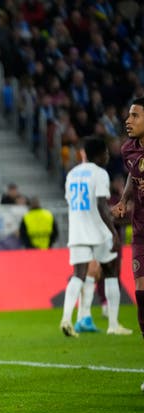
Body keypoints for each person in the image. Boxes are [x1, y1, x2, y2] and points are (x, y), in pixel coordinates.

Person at [61, 137, 132, 337]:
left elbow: (74, 202)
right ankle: (113, 324)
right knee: (111, 272)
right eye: (106, 153)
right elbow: (101, 205)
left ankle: (66, 319)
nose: (108, 156)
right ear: (99, 154)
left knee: (78, 275)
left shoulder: (72, 173)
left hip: (77, 231)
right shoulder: (100, 174)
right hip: (98, 231)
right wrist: (112, 231)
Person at [111, 97, 144, 390]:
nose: (128, 120)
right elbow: (134, 177)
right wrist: (123, 200)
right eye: (128, 115)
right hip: (142, 232)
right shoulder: (128, 150)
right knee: (142, 298)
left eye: (134, 115)